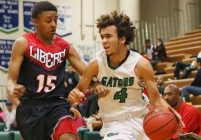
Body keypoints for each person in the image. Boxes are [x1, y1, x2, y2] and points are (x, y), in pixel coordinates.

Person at [68, 11, 183, 140]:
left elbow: (155, 99)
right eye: (102, 37)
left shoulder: (141, 65)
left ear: (122, 39)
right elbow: (79, 89)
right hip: (114, 123)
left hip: (142, 120)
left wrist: (172, 113)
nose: (104, 41)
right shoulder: (96, 63)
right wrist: (75, 94)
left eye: (108, 36)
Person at [6, 1, 87, 140]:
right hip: (30, 107)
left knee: (68, 137)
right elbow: (10, 81)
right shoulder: (22, 43)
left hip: (56, 105)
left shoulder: (65, 46)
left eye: (55, 20)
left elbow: (87, 74)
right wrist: (14, 90)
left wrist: (84, 89)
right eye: (48, 20)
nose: (53, 24)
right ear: (35, 22)